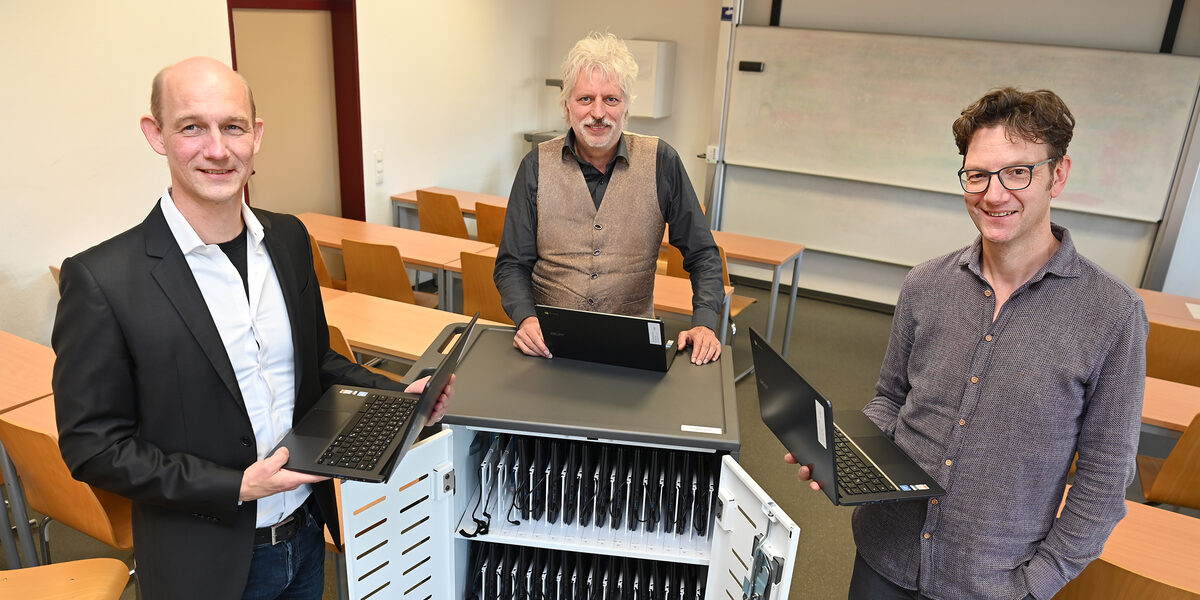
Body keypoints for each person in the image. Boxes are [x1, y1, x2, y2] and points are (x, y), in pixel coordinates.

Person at [51, 57, 451, 600]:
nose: (217, 149)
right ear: (155, 135)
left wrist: (398, 393)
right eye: (192, 127)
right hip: (203, 564)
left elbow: (316, 363)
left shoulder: (287, 239)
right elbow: (94, 447)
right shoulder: (103, 279)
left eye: (233, 126)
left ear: (255, 136)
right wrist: (236, 486)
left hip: (308, 536)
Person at [786, 88, 1147, 599]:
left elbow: (1105, 478)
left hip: (994, 583)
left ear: (1058, 175)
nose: (994, 195)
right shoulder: (925, 284)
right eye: (977, 175)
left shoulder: (1112, 314)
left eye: (1017, 172)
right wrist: (850, 464)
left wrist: (1035, 584)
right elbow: (891, 399)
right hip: (884, 557)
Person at [494, 32, 725, 365]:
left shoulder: (662, 161)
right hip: (549, 342)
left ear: (627, 107)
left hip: (632, 343)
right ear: (566, 105)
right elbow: (511, 264)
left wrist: (704, 324)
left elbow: (703, 254)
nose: (598, 112)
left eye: (611, 100)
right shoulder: (535, 166)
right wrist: (526, 319)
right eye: (586, 98)